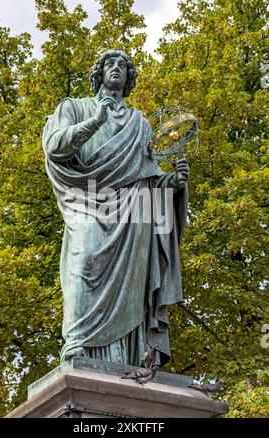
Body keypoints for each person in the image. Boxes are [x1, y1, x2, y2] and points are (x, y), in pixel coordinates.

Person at [42, 49, 189, 367]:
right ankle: (77, 342)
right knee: (84, 259)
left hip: (133, 214)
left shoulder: (141, 125)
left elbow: (148, 179)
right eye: (110, 63)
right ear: (99, 73)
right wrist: (95, 122)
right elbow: (54, 146)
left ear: (129, 77)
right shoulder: (74, 107)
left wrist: (174, 184)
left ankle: (131, 356)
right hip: (86, 199)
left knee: (133, 289)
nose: (117, 69)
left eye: (123, 65)